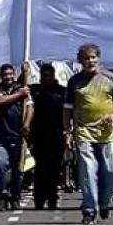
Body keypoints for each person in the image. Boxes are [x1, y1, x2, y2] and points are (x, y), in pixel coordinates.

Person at [64, 43, 113, 225]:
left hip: (106, 132)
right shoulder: (74, 82)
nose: (90, 61)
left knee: (110, 171)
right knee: (87, 171)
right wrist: (67, 131)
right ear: (80, 61)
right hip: (83, 131)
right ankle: (89, 210)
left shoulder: (110, 78)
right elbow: (67, 109)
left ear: (98, 58)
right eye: (86, 58)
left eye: (92, 57)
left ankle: (104, 203)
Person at [0, 63, 33, 211]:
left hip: (18, 136)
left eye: (10, 74)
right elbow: (0, 101)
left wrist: (26, 124)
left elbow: (30, 107)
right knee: (0, 164)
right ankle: (2, 196)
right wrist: (19, 94)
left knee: (17, 170)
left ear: (13, 74)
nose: (8, 77)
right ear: (0, 76)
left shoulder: (21, 87)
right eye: (5, 74)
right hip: (0, 136)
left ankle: (15, 197)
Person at [29, 63, 67, 210]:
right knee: (40, 169)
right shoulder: (34, 90)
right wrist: (25, 70)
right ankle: (39, 199)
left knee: (54, 169)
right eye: (43, 75)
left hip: (56, 135)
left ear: (53, 75)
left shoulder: (61, 92)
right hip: (38, 135)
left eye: (49, 75)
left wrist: (67, 132)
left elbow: (67, 112)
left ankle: (52, 198)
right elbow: (22, 88)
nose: (46, 78)